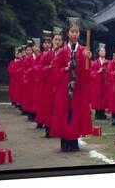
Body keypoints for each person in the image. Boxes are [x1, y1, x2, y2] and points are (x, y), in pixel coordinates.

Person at [50, 17, 93, 152]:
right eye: (72, 31)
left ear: (79, 34)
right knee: (64, 113)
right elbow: (54, 71)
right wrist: (66, 68)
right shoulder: (62, 52)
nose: (75, 34)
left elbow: (87, 75)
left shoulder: (83, 51)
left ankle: (74, 141)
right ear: (67, 33)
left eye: (77, 32)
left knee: (76, 114)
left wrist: (88, 60)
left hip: (78, 89)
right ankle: (64, 141)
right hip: (64, 88)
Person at [43, 27, 64, 138]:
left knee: (59, 107)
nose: (57, 42)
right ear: (52, 41)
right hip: (49, 84)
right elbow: (39, 69)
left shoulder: (64, 53)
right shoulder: (47, 55)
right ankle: (48, 128)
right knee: (49, 106)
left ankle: (57, 129)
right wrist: (49, 67)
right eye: (56, 39)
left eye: (59, 40)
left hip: (60, 84)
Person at [35, 30, 52, 129]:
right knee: (41, 103)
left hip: (50, 82)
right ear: (42, 44)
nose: (47, 45)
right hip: (43, 82)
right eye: (45, 43)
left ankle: (48, 122)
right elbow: (38, 68)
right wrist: (48, 68)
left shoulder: (54, 54)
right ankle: (40, 121)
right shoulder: (40, 56)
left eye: (49, 43)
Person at [91, 43, 110, 120]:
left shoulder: (108, 62)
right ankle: (97, 113)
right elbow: (91, 72)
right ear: (98, 52)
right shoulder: (95, 63)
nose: (103, 52)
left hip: (104, 82)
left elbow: (109, 71)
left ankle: (102, 113)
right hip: (97, 83)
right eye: (101, 51)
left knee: (104, 97)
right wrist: (98, 72)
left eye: (104, 51)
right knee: (97, 97)